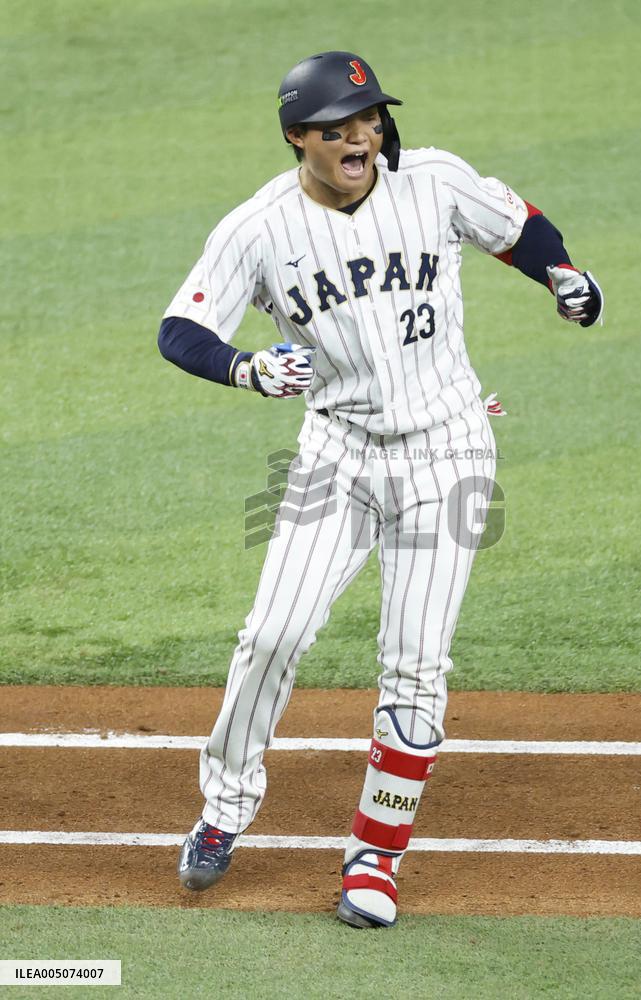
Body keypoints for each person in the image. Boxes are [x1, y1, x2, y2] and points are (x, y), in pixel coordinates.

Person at [158, 50, 603, 929]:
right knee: (273, 632)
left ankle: (376, 856)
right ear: (300, 140)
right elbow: (182, 327)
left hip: (449, 450)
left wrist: (563, 276)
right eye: (339, 128)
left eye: (369, 118)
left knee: (415, 661)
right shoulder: (260, 227)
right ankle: (226, 804)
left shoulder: (431, 181)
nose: (362, 136)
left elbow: (517, 226)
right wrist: (247, 368)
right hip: (337, 453)